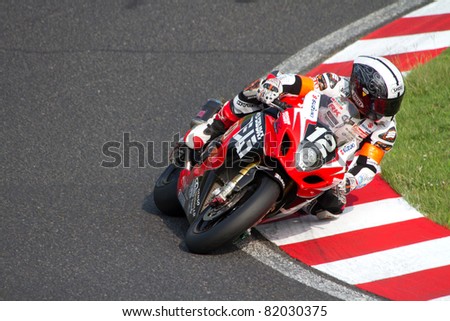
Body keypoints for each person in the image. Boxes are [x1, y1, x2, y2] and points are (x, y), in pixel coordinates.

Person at [184, 55, 405, 219]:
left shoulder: (385, 129)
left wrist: (350, 181)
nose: (385, 110)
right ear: (361, 89)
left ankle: (262, 209)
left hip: (324, 160)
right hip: (296, 126)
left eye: (391, 104)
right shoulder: (337, 84)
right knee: (263, 86)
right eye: (382, 103)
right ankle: (214, 126)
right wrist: (277, 85)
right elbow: (303, 84)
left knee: (332, 207)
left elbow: (368, 162)